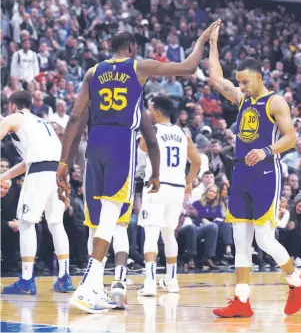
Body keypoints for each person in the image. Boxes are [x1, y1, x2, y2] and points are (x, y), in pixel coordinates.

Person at [56, 22, 220, 314]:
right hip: (121, 142)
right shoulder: (137, 66)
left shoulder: (93, 72)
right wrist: (203, 39)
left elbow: (74, 119)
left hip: (94, 143)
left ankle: (96, 287)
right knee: (111, 216)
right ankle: (89, 285)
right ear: (132, 48)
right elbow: (188, 67)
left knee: (99, 220)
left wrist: (64, 162)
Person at [209, 25, 301, 318]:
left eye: (247, 81)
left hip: (265, 171)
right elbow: (216, 78)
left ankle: (297, 282)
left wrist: (266, 150)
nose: (242, 86)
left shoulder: (275, 101)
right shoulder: (242, 99)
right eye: (239, 82)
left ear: (260, 78)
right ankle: (242, 300)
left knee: (264, 239)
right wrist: (213, 43)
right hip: (240, 172)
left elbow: (291, 138)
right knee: (240, 239)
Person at [0, 91, 74, 295]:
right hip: (58, 173)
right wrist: (3, 177)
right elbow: (27, 163)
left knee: (25, 223)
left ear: (13, 105)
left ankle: (26, 280)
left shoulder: (15, 117)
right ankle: (65, 278)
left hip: (40, 173)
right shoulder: (42, 123)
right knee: (56, 224)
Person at [138, 95, 201, 296]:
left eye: (149, 109)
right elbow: (197, 162)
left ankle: (150, 282)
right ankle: (172, 280)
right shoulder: (183, 133)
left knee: (151, 233)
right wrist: (189, 181)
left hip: (156, 186)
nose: (147, 113)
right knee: (168, 234)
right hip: (176, 188)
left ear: (156, 112)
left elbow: (140, 152)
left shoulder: (152, 130)